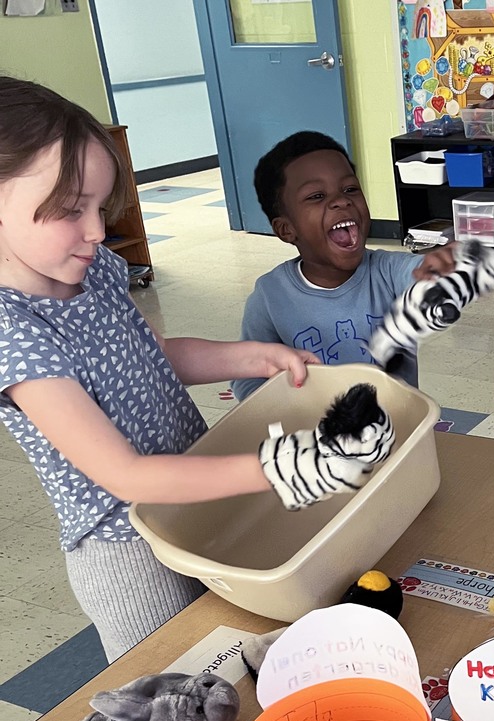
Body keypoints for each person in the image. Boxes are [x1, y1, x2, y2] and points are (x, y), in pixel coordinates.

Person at [0, 77, 349, 661]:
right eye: (69, 210)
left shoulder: (94, 269)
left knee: (235, 650)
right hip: (129, 546)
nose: (96, 230)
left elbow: (149, 356)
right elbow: (128, 477)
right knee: (169, 687)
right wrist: (283, 469)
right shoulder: (13, 331)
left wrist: (250, 356)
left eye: (100, 206)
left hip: (198, 493)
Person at [233, 131, 454, 399]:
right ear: (286, 229)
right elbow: (248, 378)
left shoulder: (386, 271)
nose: (342, 200)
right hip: (314, 431)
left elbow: (421, 276)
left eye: (350, 189)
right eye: (316, 196)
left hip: (398, 426)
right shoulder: (270, 296)